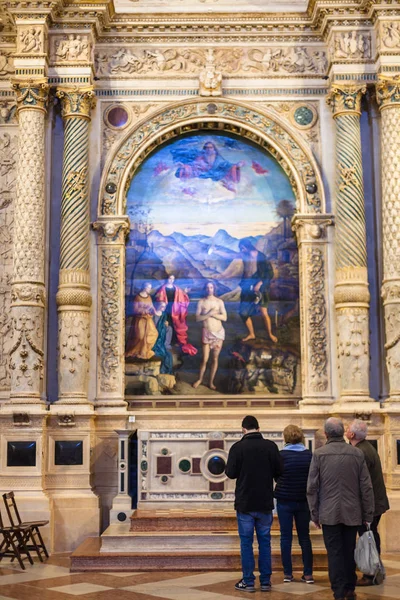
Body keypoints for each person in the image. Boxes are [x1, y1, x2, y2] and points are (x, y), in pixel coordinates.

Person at [307, 418, 374, 600]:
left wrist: (314, 514)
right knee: (349, 550)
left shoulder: (319, 454)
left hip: (328, 513)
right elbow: (366, 487)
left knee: (335, 553)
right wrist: (368, 513)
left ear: (326, 434)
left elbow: (312, 487)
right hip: (353, 512)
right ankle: (350, 587)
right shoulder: (356, 454)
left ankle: (338, 590)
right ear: (343, 432)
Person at [225, 415, 282, 593]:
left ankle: (248, 581)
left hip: (245, 503)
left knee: (246, 543)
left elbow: (230, 473)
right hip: (265, 502)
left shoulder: (237, 447)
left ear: (243, 430)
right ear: (258, 428)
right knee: (265, 542)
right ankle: (265, 581)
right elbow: (280, 471)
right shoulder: (271, 446)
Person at [346, 419, 389, 586]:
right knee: (371, 537)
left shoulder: (361, 452)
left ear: (352, 434)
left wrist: (366, 511)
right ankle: (376, 571)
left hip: (370, 505)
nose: (346, 429)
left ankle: (370, 575)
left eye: (348, 428)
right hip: (374, 502)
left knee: (368, 539)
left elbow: (363, 484)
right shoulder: (363, 447)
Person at [215, 238, 277, 343]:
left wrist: (260, 283)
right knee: (243, 312)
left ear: (247, 246)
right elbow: (231, 256)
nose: (241, 250)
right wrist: (217, 251)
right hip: (247, 286)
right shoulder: (245, 255)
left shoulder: (261, 257)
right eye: (240, 249)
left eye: (242, 248)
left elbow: (269, 273)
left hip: (260, 287)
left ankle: (270, 334)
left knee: (263, 312)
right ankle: (252, 334)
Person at [274, 425, 314, 584]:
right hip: (303, 501)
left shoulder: (280, 455)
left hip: (284, 500)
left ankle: (288, 574)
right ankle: (308, 574)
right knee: (305, 538)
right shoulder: (309, 455)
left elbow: (276, 476)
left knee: (285, 537)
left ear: (286, 438)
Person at [193, 281, 227, 390]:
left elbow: (224, 318)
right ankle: (200, 379)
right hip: (207, 333)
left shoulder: (219, 302)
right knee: (205, 359)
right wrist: (208, 314)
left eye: (211, 287)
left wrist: (213, 314)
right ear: (205, 289)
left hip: (218, 333)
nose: (209, 289)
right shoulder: (201, 302)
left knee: (215, 359)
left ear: (214, 289)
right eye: (207, 287)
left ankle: (211, 382)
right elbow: (197, 318)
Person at [155, 274, 197, 356]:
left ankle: (174, 341)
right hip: (165, 308)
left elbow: (182, 297)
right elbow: (158, 299)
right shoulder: (162, 289)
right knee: (166, 324)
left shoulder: (176, 289)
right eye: (170, 278)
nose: (171, 280)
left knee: (175, 325)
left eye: (172, 279)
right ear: (167, 279)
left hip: (174, 309)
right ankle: (164, 341)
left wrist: (185, 293)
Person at [125, 282, 160, 360]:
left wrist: (155, 311)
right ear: (145, 287)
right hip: (140, 319)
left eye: (150, 288)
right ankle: (137, 351)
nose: (150, 289)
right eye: (149, 288)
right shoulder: (138, 297)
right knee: (140, 337)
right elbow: (135, 309)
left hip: (148, 319)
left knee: (154, 334)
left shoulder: (149, 297)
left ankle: (145, 351)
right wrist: (144, 310)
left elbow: (152, 307)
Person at [153, 301, 173, 375]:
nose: (163, 308)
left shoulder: (164, 314)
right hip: (155, 331)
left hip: (162, 330)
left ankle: (166, 344)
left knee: (169, 328)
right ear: (158, 306)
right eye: (162, 306)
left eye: (164, 306)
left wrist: (166, 324)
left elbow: (164, 323)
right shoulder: (154, 314)